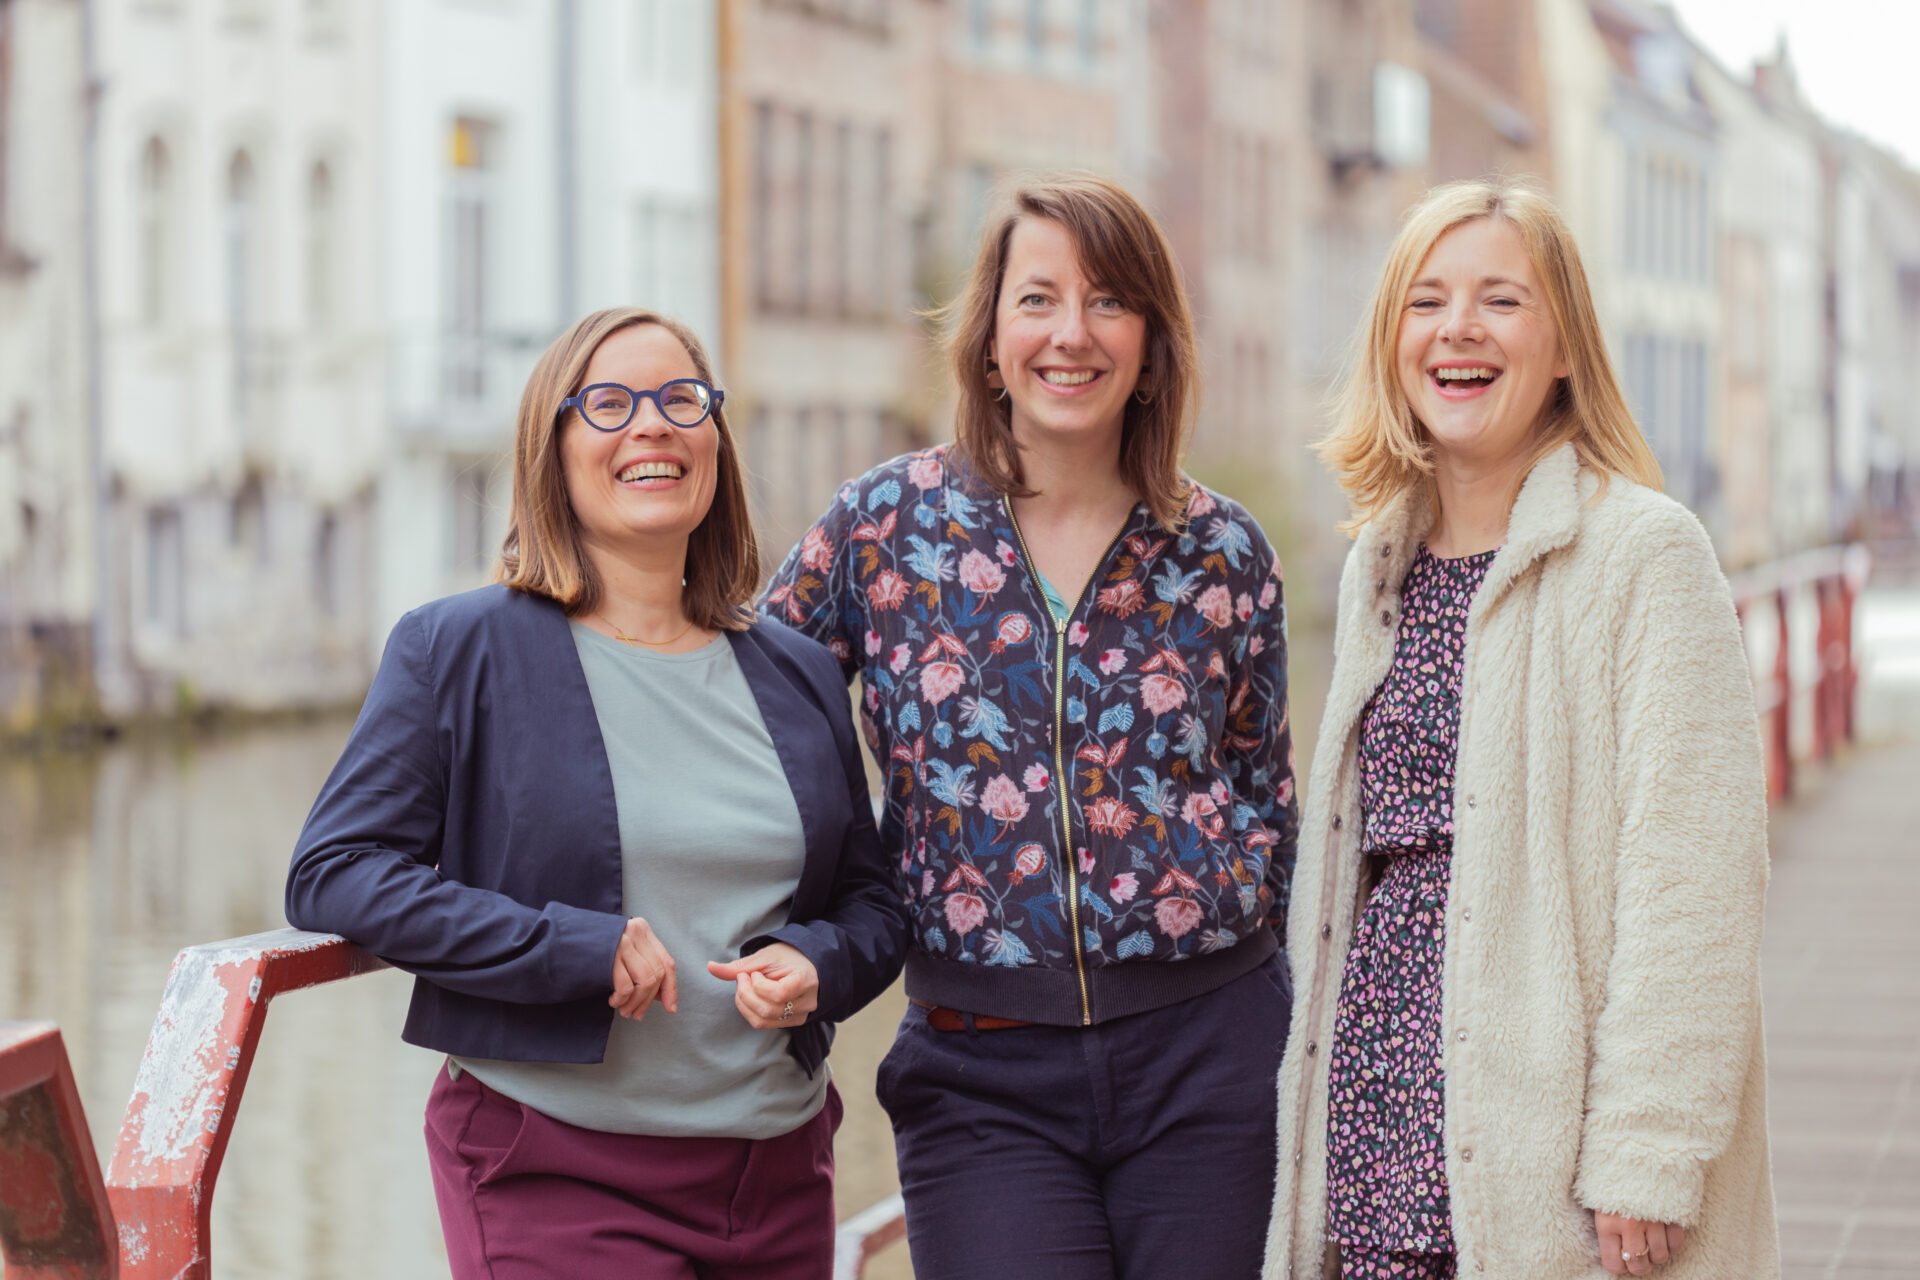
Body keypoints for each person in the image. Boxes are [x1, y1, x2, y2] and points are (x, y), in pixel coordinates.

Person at [285, 307, 907, 1280]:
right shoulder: (460, 648)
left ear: (716, 439)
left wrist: (816, 960)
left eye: (680, 400)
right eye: (609, 403)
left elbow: (872, 902)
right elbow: (335, 873)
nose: (651, 425)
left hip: (778, 1171)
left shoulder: (796, 672)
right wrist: (572, 946)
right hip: (557, 1166)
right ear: (554, 446)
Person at [765, 174, 1300, 1279]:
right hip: (981, 1072)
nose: (1072, 333)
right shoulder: (884, 527)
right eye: (1039, 298)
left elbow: (1266, 790)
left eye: (1109, 302)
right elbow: (743, 709)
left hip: (1210, 1054)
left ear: (1152, 342)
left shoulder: (1225, 552)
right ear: (992, 334)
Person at [1261, 179, 1776, 1280]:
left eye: (1501, 299)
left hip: (1549, 1123)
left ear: (1564, 351)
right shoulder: (1379, 565)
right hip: (1379, 1108)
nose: (1458, 329)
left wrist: (1647, 1145)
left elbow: (1696, 874)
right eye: (1426, 301)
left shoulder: (1645, 554)